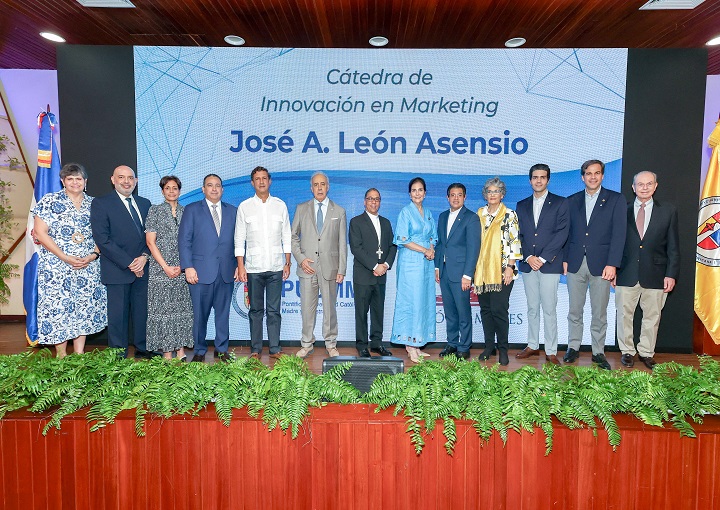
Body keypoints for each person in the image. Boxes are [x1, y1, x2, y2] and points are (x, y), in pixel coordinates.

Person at [33, 163, 107, 357]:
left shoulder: (95, 204)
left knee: (83, 307)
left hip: (87, 265)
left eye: (79, 178)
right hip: (57, 267)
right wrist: (64, 257)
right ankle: (61, 355)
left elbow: (104, 235)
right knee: (59, 308)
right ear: (63, 181)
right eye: (70, 179)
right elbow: (40, 232)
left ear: (86, 182)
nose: (75, 182)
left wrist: (92, 256)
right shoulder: (50, 201)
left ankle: (79, 354)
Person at [563, 159, 627, 370]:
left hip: (602, 266)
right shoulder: (571, 201)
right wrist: (564, 258)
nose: (592, 177)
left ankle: (598, 351)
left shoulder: (616, 200)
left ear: (602, 176)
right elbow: (566, 233)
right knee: (574, 310)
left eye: (596, 173)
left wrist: (613, 264)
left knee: (599, 311)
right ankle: (573, 347)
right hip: (574, 263)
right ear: (582, 177)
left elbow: (619, 235)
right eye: (588, 173)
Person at [614, 171, 679, 370]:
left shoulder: (668, 211)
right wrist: (613, 269)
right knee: (624, 315)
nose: (644, 187)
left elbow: (674, 246)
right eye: (640, 184)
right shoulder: (621, 211)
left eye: (648, 184)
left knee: (652, 316)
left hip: (657, 274)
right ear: (633, 187)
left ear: (655, 186)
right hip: (626, 272)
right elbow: (615, 243)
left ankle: (646, 352)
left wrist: (671, 273)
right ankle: (627, 351)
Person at [90, 164, 152, 358]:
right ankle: (117, 355)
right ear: (113, 180)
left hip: (142, 268)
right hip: (118, 269)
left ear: (136, 181)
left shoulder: (145, 203)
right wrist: (129, 263)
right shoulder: (101, 203)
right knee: (118, 316)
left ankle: (142, 349)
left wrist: (143, 258)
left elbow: (149, 237)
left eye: (130, 178)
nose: (126, 181)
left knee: (142, 313)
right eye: (121, 177)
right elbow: (103, 239)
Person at [178, 174, 238, 363]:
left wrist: (238, 265)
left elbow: (239, 241)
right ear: (203, 189)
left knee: (223, 315)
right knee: (200, 316)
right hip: (200, 272)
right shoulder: (192, 209)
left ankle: (222, 349)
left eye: (218, 186)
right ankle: (200, 350)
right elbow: (184, 241)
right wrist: (188, 267)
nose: (214, 189)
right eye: (209, 185)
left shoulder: (233, 211)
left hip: (226, 271)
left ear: (222, 189)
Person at [235, 166, 292, 360]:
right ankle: (255, 349)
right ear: (252, 183)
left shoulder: (280, 205)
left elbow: (286, 234)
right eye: (257, 179)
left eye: (264, 178)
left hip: (276, 266)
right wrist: (241, 265)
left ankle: (275, 348)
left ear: (270, 181)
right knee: (256, 310)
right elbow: (239, 237)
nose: (261, 182)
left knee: (274, 311)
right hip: (253, 268)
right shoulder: (244, 207)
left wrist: (288, 262)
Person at [515, 164, 569, 365]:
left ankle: (551, 350)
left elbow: (562, 233)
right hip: (528, 264)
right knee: (532, 307)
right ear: (530, 180)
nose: (538, 180)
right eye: (535, 177)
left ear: (548, 180)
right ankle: (532, 344)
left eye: (542, 177)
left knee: (549, 308)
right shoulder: (521, 205)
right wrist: (528, 256)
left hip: (549, 264)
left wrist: (543, 258)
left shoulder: (560, 203)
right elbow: (517, 235)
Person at [291, 172, 347, 358]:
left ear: (328, 186)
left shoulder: (339, 211)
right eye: (316, 185)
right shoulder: (301, 209)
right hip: (307, 267)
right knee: (307, 309)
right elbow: (292, 237)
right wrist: (301, 258)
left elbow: (341, 243)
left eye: (323, 184)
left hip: (330, 268)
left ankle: (331, 344)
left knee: (330, 309)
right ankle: (306, 344)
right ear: (311, 188)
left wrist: (342, 269)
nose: (320, 188)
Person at [473, 177, 522, 366]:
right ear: (485, 195)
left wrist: (510, 267)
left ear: (502, 194)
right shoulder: (479, 213)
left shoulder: (509, 214)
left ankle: (503, 349)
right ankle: (488, 347)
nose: (492, 195)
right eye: (489, 192)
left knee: (499, 310)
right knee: (485, 310)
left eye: (496, 191)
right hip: (482, 271)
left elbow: (514, 242)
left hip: (502, 271)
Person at [145, 176, 193, 361]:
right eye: (167, 188)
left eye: (175, 188)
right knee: (164, 312)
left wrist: (183, 266)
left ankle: (180, 351)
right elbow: (150, 242)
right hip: (160, 270)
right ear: (162, 191)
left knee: (180, 311)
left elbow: (191, 241)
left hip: (182, 269)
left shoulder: (186, 211)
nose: (171, 191)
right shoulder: (155, 211)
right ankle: (167, 352)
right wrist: (165, 266)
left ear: (179, 190)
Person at [391, 177, 437, 363]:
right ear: (409, 194)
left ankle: (418, 343)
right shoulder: (405, 212)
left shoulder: (428, 213)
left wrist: (431, 249)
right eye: (414, 190)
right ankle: (409, 345)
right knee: (411, 301)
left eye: (420, 190)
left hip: (426, 264)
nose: (417, 193)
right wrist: (425, 249)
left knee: (423, 301)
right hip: (410, 262)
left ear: (425, 193)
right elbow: (402, 239)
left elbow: (434, 236)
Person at [434, 183, 481, 360]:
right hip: (445, 272)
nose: (455, 198)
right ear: (447, 197)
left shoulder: (471, 218)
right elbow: (440, 244)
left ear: (464, 197)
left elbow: (473, 249)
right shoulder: (442, 216)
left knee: (463, 311)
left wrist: (468, 275)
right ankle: (452, 343)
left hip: (461, 273)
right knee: (450, 311)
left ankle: (464, 345)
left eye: (459, 195)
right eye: (452, 195)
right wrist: (437, 266)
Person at [349, 188, 397, 357]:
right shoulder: (356, 222)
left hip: (382, 274)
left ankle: (377, 343)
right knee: (361, 312)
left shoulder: (386, 222)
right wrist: (374, 266)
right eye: (370, 199)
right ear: (364, 201)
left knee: (378, 312)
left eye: (377, 199)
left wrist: (385, 264)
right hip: (363, 275)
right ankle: (362, 345)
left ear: (380, 202)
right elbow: (356, 248)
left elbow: (392, 246)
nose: (373, 202)